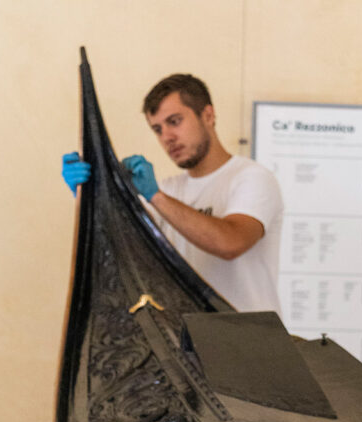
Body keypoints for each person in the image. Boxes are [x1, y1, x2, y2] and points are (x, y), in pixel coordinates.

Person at [62, 72, 283, 314]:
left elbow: (230, 243)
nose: (167, 137)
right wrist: (90, 198)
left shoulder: (252, 178)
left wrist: (155, 196)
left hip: (253, 344)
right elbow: (119, 256)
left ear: (208, 115)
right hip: (191, 344)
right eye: (157, 129)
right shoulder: (168, 189)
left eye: (175, 121)